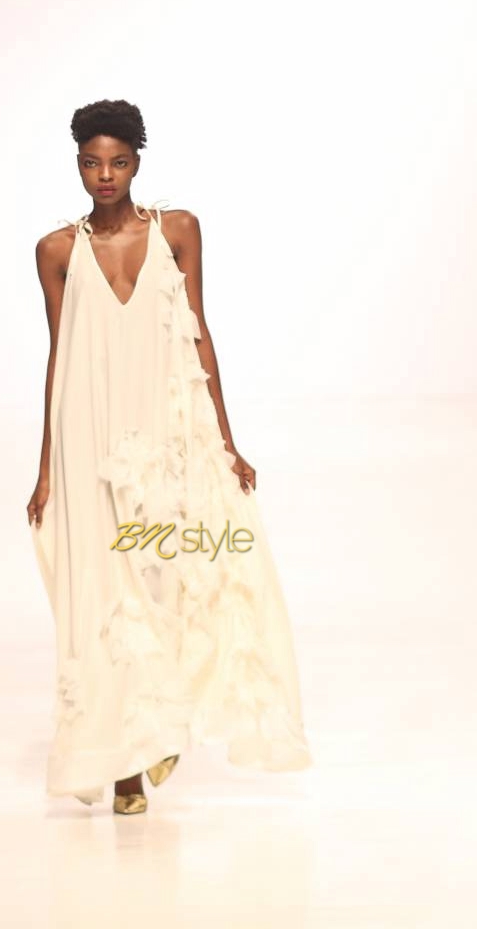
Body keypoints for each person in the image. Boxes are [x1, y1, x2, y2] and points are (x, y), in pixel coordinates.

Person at [28, 99, 312, 815]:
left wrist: (226, 439)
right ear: (77, 165)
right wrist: (46, 468)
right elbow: (60, 356)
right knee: (104, 595)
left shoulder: (177, 230)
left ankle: (161, 722)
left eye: (118, 162)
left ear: (137, 164)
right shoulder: (56, 251)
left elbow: (199, 332)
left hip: (164, 429)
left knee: (170, 576)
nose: (105, 175)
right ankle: (126, 767)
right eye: (92, 163)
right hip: (90, 437)